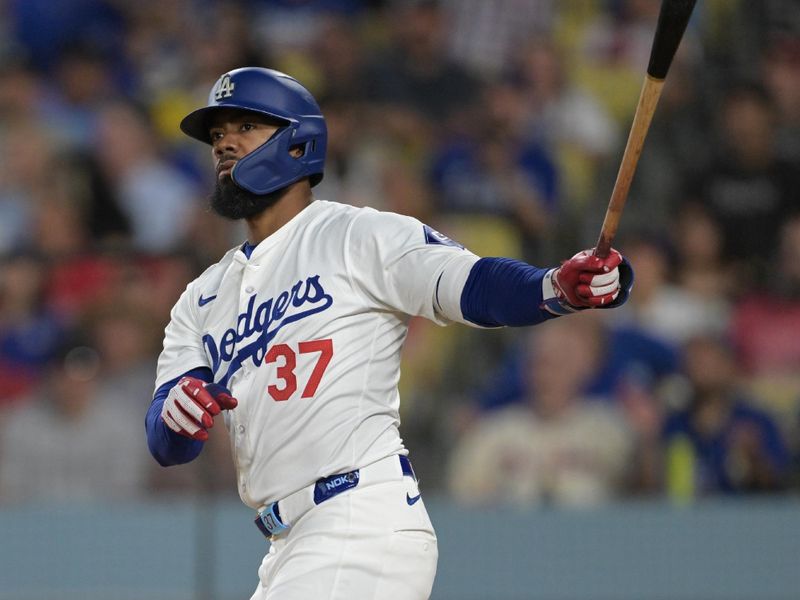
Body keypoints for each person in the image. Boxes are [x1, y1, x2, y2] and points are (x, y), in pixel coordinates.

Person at [144, 67, 634, 600]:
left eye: (245, 127)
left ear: (296, 144)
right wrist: (177, 414)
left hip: (358, 520)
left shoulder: (358, 234)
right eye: (217, 134)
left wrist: (555, 285)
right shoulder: (201, 297)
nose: (225, 144)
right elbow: (166, 440)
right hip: (288, 543)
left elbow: (469, 283)